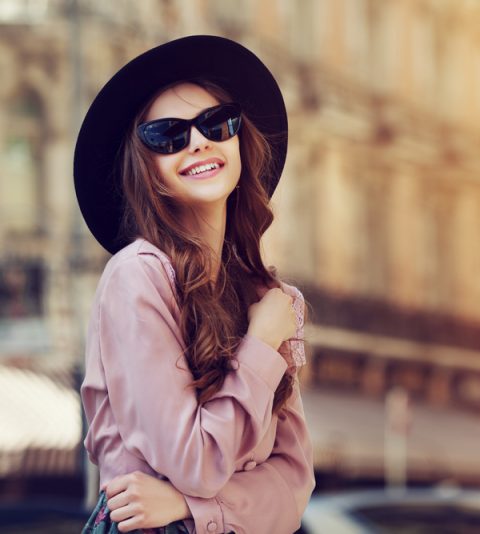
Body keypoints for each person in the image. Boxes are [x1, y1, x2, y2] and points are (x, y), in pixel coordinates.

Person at [74, 35, 315, 533]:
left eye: (215, 123)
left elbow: (295, 484)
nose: (200, 142)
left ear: (238, 138)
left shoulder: (267, 298)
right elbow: (196, 464)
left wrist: (190, 506)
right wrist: (261, 343)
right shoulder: (138, 275)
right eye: (167, 135)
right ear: (146, 167)